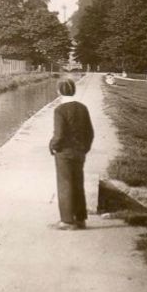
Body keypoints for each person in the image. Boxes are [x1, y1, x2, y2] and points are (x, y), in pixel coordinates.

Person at [48, 78, 94, 230]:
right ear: (74, 90)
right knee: (78, 183)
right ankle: (80, 219)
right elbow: (90, 132)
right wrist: (84, 148)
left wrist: (53, 146)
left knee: (65, 184)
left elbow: (59, 134)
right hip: (80, 152)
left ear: (59, 91)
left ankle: (67, 221)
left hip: (64, 153)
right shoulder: (82, 108)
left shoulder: (59, 110)